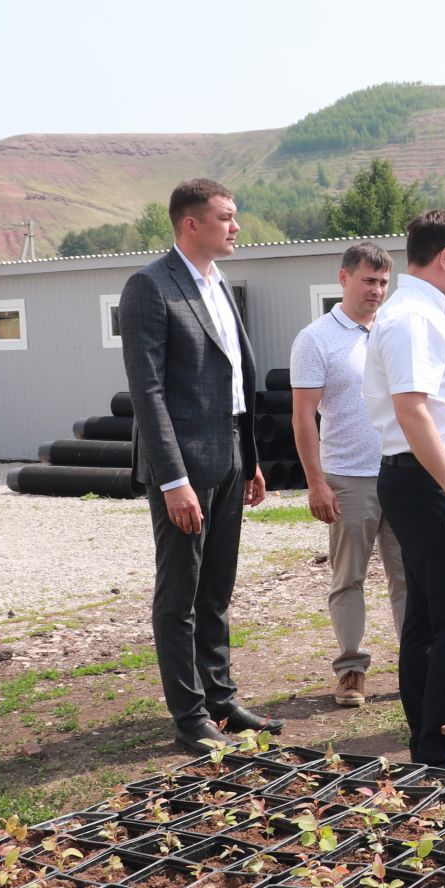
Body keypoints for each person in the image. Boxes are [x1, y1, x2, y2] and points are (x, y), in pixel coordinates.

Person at [120, 177, 282, 755]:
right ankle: (189, 715)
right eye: (226, 218)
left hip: (231, 457)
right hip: (184, 469)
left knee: (216, 589)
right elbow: (149, 392)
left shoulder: (220, 286)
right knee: (180, 594)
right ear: (191, 224)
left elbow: (236, 383)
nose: (236, 227)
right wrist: (172, 480)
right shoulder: (149, 287)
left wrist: (252, 460)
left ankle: (220, 698)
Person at [363, 209, 445, 766]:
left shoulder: (414, 310)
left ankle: (425, 737)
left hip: (417, 480)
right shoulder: (415, 317)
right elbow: (412, 412)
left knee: (427, 617)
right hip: (430, 482)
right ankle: (440, 749)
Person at [291, 241, 409, 706]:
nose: (377, 290)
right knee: (348, 577)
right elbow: (303, 416)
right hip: (348, 478)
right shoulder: (316, 338)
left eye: (383, 282)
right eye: (368, 280)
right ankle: (351, 669)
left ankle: (413, 664)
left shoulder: (395, 331)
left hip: (402, 471)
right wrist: (316, 481)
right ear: (343, 278)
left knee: (408, 576)